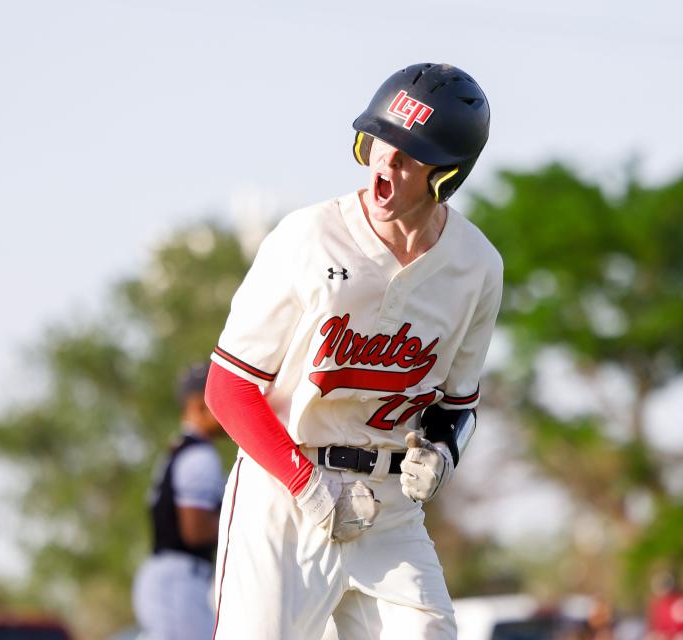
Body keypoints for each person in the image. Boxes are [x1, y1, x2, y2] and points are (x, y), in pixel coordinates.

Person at [204, 62, 501, 639]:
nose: (384, 163)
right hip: (283, 496)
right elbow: (229, 387)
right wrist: (305, 487)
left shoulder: (477, 266)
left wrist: (440, 455)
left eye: (409, 153)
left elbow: (458, 406)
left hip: (387, 509)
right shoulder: (307, 237)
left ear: (446, 175)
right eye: (378, 140)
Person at [132, 364, 227, 640]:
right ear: (200, 405)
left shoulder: (185, 449)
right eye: (220, 398)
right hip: (179, 581)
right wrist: (247, 522)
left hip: (175, 578)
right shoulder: (199, 457)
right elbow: (195, 531)